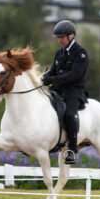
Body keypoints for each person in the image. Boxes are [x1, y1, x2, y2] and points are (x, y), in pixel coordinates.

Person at [42, 20, 89, 164]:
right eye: (58, 38)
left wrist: (54, 79)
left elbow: (74, 75)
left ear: (71, 36)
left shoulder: (81, 54)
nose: (60, 40)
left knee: (69, 114)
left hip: (73, 91)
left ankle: (72, 150)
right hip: (58, 90)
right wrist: (45, 78)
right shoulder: (59, 53)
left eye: (62, 37)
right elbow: (53, 71)